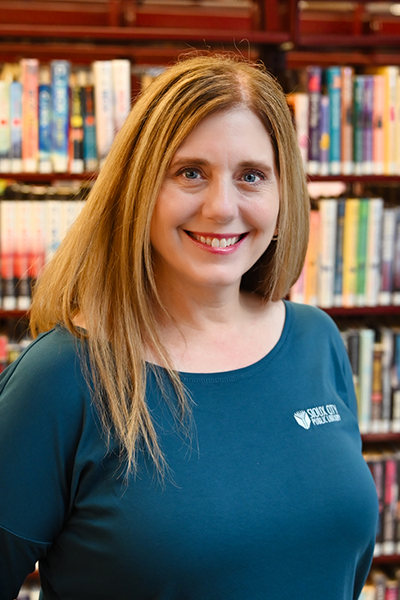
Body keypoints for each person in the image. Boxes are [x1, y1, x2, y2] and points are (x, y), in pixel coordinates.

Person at [0, 54, 378, 600]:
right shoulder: (63, 377)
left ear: (282, 192)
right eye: (190, 172)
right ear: (138, 188)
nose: (222, 207)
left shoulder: (317, 341)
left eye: (251, 176)